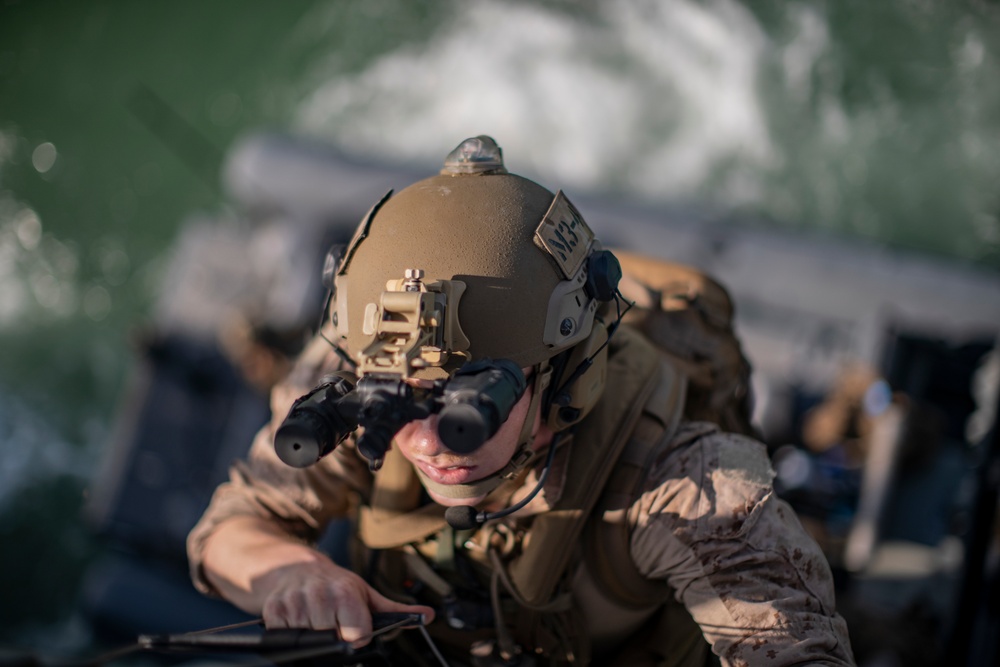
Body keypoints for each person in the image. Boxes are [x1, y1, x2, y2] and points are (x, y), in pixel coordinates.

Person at [188, 136, 856, 666]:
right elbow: (228, 530)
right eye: (397, 399)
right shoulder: (359, 372)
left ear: (559, 375)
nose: (424, 440)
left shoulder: (681, 484)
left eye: (465, 403)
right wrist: (290, 575)